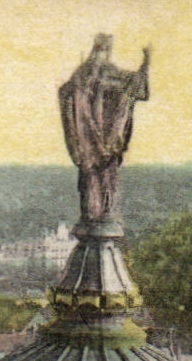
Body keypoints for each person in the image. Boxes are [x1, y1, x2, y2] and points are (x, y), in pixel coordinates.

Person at [59, 35, 151, 224]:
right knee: (105, 178)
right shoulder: (109, 73)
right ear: (108, 49)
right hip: (106, 144)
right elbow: (136, 88)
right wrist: (145, 63)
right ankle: (103, 213)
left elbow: (65, 94)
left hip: (85, 143)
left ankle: (92, 213)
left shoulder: (80, 74)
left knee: (89, 178)